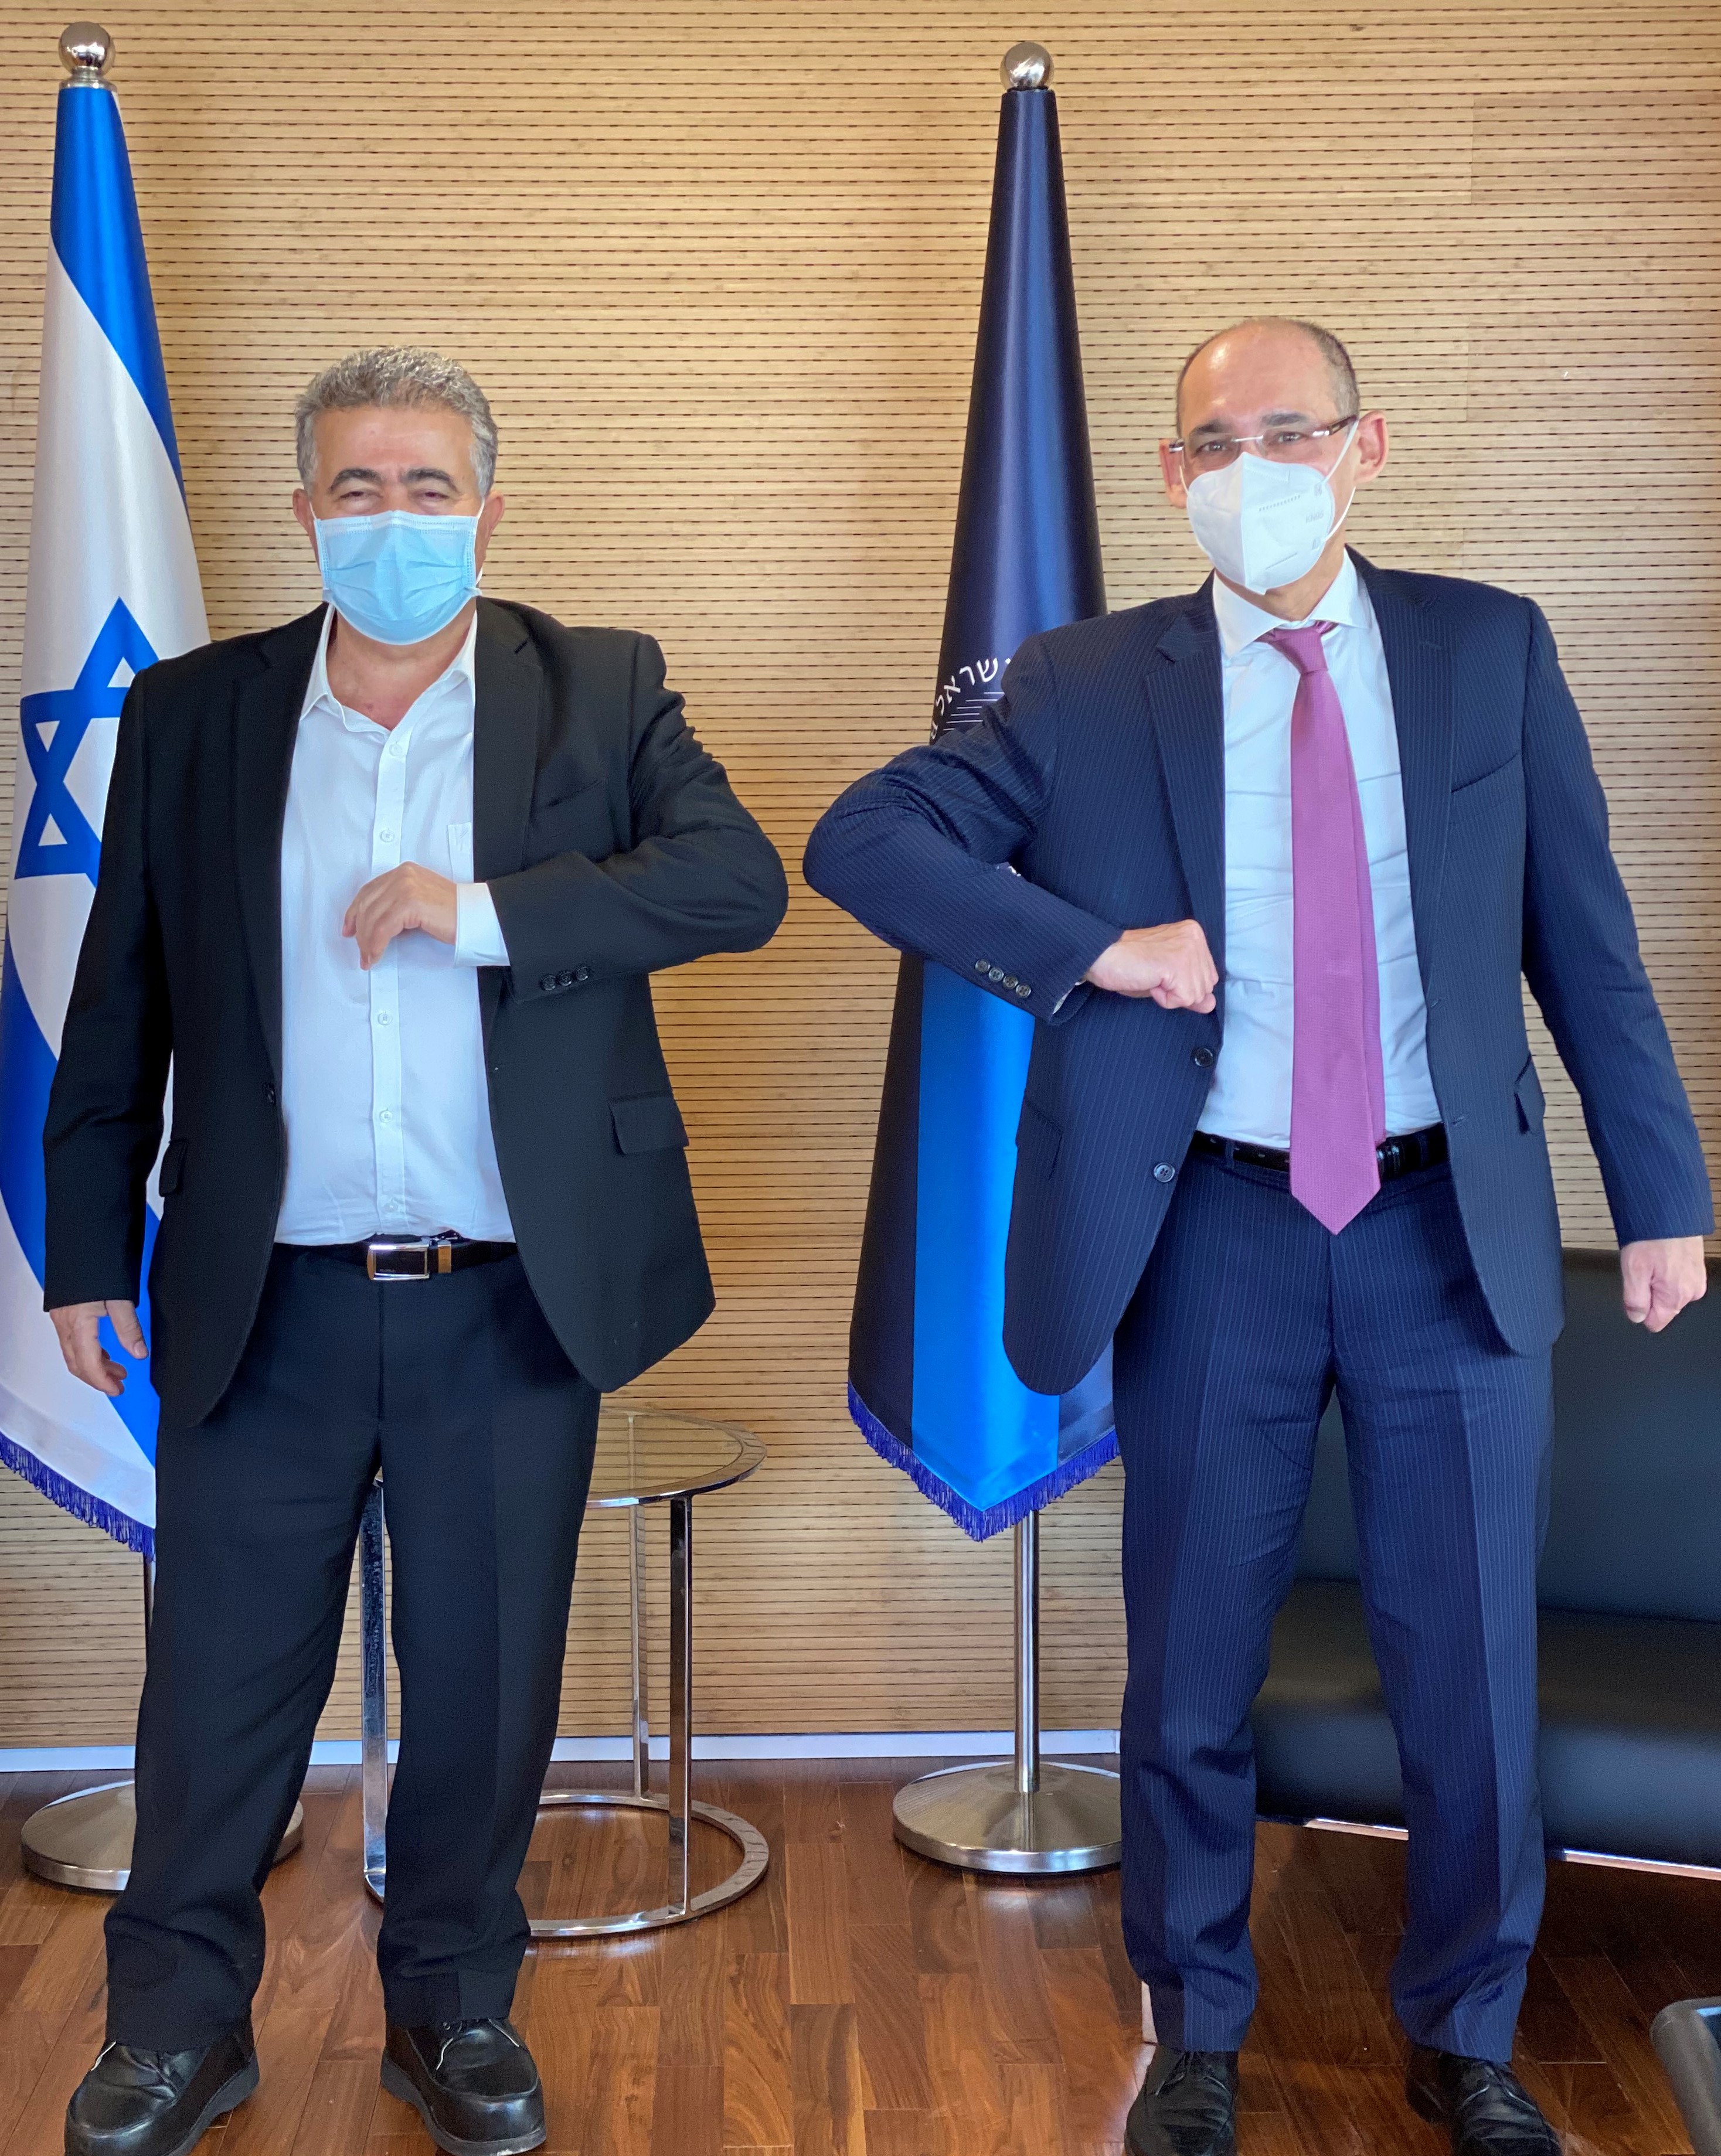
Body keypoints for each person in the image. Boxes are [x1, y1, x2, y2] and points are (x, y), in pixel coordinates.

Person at [804, 317, 1710, 2156]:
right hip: (1212, 1230)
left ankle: (1468, 2037)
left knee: (1471, 1668)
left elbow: (1585, 944)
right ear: (1170, 478)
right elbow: (863, 839)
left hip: (1446, 1226)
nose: (1250, 470)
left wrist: (1664, 1200)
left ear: (1367, 447)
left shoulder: (1487, 648)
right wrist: (1091, 951)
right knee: (1194, 1661)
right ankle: (1197, 2025)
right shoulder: (1079, 680)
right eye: (1213, 443)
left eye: (1287, 432)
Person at [46, 346, 787, 2156]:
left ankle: (451, 2012)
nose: (394, 519)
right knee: (216, 1690)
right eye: (359, 488)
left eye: (429, 488)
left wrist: (485, 912)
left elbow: (737, 882)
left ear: (489, 511)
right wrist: (82, 1253)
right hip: (265, 1298)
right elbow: (120, 999)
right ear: (306, 510)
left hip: (506, 1297)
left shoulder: (598, 690)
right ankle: (175, 2033)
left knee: (484, 1683)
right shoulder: (197, 714)